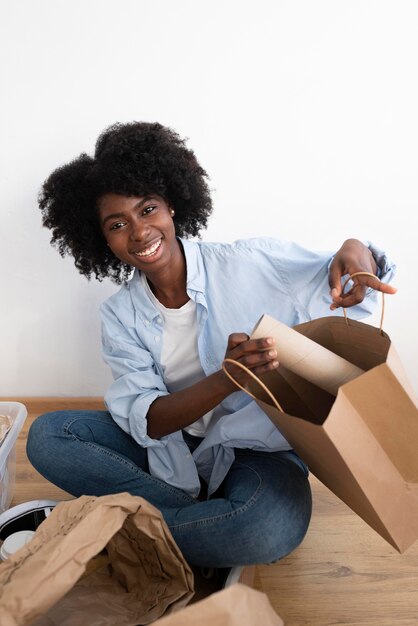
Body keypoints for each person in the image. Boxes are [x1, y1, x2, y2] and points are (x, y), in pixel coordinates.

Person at [27, 122, 396, 578]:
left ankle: (112, 533)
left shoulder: (251, 262)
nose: (140, 232)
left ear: (172, 206)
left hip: (260, 451)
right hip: (171, 448)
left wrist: (355, 249)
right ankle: (199, 528)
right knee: (48, 437)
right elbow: (152, 419)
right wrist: (227, 380)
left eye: (148, 210)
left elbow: (342, 271)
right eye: (118, 224)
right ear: (103, 240)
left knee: (264, 531)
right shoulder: (120, 315)